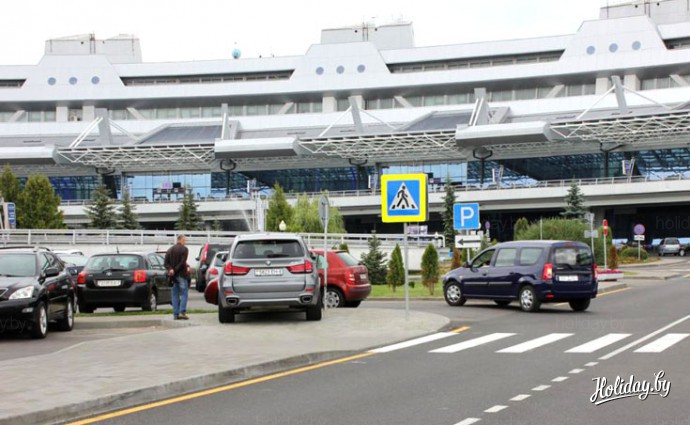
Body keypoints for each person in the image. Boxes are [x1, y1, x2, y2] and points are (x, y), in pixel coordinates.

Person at [164, 234, 190, 320]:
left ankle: (176, 314)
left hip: (173, 277)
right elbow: (182, 262)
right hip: (181, 274)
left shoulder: (170, 249)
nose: (185, 242)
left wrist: (171, 269)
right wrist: (175, 270)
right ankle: (182, 312)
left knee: (175, 295)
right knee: (184, 293)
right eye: (184, 240)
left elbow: (165, 263)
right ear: (181, 240)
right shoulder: (184, 249)